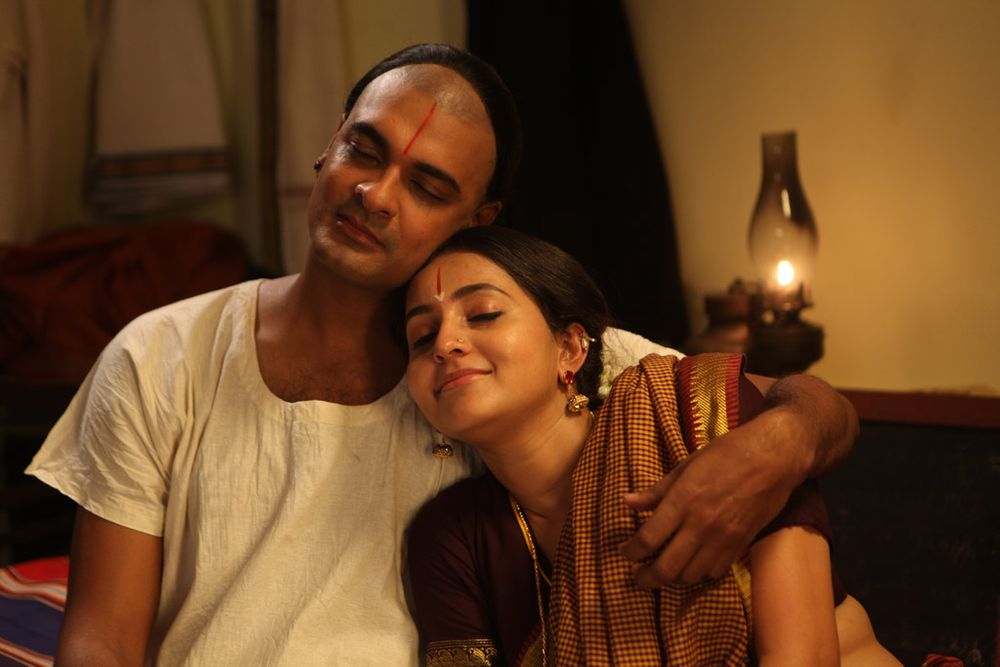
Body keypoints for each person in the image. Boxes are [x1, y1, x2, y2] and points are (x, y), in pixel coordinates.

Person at [26, 44, 858, 665]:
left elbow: (813, 405)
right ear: (329, 145)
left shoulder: (510, 359)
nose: (374, 194)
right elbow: (100, 640)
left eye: (427, 186)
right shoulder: (161, 354)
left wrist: (772, 447)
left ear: (478, 221)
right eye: (364, 150)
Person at [404, 225, 899, 665]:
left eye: (484, 314)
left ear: (570, 348)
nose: (445, 344)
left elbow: (801, 658)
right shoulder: (453, 538)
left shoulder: (697, 411)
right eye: (422, 336)